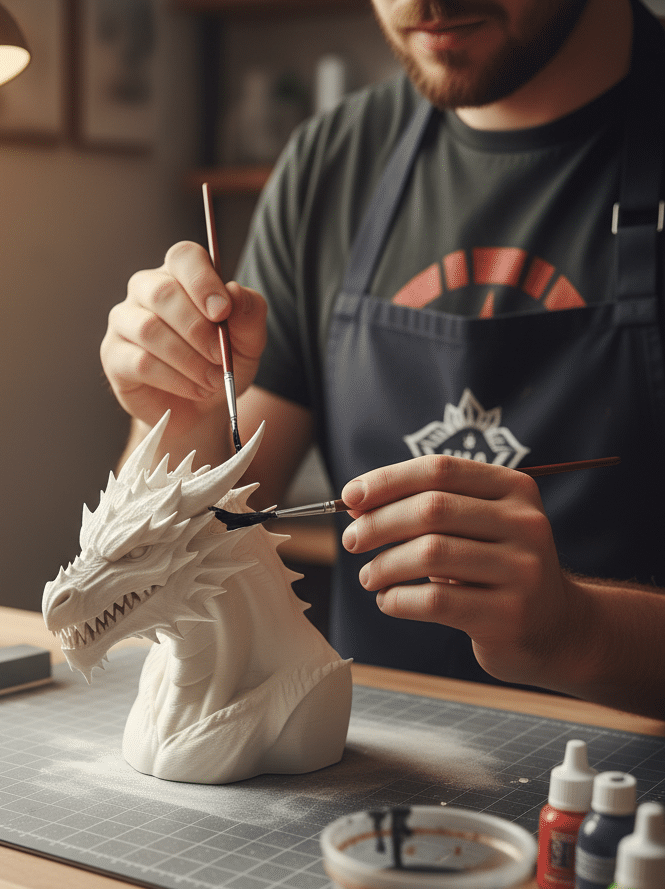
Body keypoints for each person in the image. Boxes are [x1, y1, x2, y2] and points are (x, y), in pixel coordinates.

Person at [99, 0, 665, 719]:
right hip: (362, 773)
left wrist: (577, 630)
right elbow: (190, 569)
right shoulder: (331, 163)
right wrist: (179, 420)